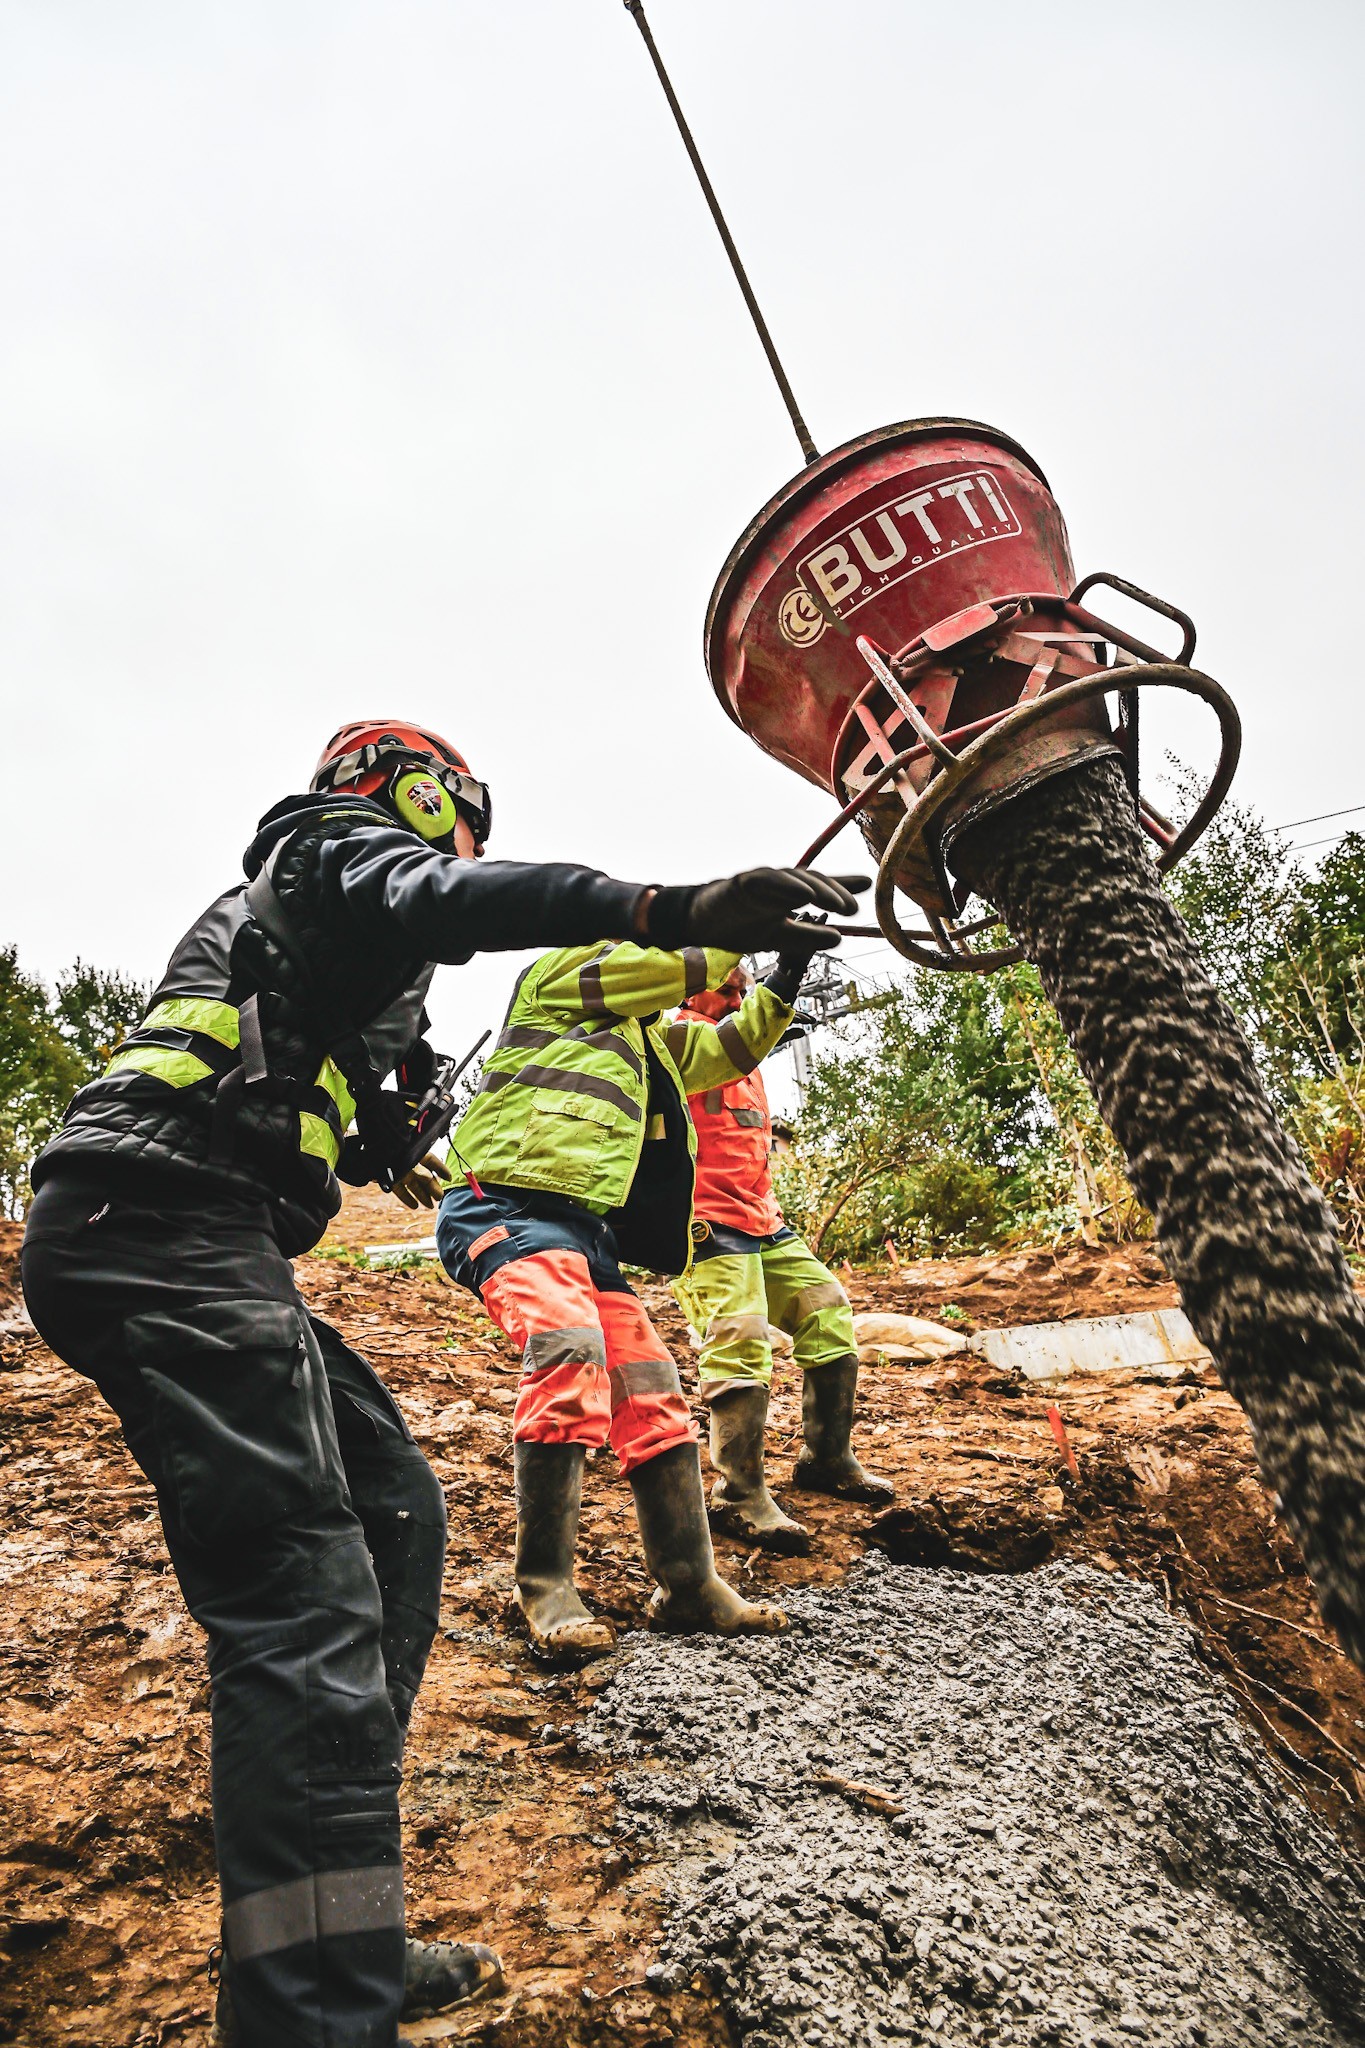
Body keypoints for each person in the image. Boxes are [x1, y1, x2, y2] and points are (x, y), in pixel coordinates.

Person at [19, 716, 861, 2048]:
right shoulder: (324, 846)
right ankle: (314, 2017)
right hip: (157, 1224)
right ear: (418, 794)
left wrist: (392, 1112)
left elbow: (350, 1127)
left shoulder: (341, 960)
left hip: (202, 1234)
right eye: (459, 810)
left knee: (397, 1517)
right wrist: (683, 908)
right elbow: (459, 898)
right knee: (306, 1604)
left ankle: (338, 1934)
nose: (463, 833)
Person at [433, 923, 855, 1663]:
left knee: (653, 1393)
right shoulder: (560, 981)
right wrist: (745, 920)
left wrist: (786, 971)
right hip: (501, 1204)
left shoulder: (654, 1045)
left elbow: (732, 1048)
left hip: (582, 1230)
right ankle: (545, 1589)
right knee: (569, 1351)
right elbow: (671, 968)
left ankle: (689, 1585)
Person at [672, 963, 893, 1554]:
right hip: (703, 1220)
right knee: (740, 1336)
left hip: (760, 1217)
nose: (738, 998)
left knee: (827, 1308)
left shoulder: (749, 1051)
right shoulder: (677, 1038)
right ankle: (738, 1493)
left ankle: (826, 1457)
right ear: (688, 985)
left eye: (745, 990)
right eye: (728, 987)